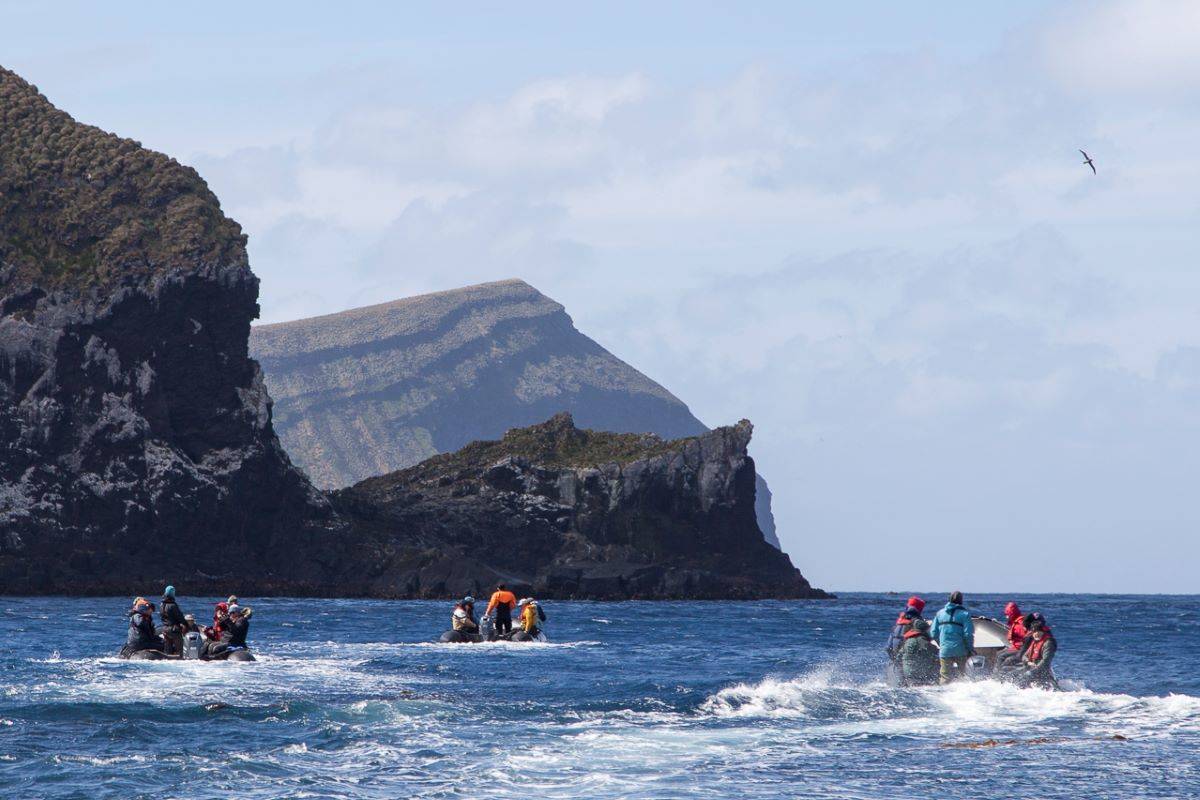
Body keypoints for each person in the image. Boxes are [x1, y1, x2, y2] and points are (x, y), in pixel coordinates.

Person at [929, 590, 975, 684]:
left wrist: (941, 644)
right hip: (961, 650)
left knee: (945, 677)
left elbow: (933, 633)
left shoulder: (939, 614)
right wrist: (970, 649)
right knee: (964, 675)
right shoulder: (965, 614)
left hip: (945, 650)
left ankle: (942, 694)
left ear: (949, 599)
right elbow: (968, 634)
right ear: (961, 601)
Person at [898, 618, 939, 686]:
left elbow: (899, 656)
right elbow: (935, 652)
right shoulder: (924, 642)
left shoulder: (908, 641)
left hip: (907, 673)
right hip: (921, 674)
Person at [886, 596, 926, 663]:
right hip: (906, 658)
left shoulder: (898, 623)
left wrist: (893, 658)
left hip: (894, 657)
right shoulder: (917, 624)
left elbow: (888, 647)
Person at [159, 585, 187, 656]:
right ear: (173, 594)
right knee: (179, 650)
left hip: (165, 629)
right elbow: (180, 618)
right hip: (174, 630)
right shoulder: (173, 606)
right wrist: (186, 626)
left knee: (167, 651)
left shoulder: (161, 605)